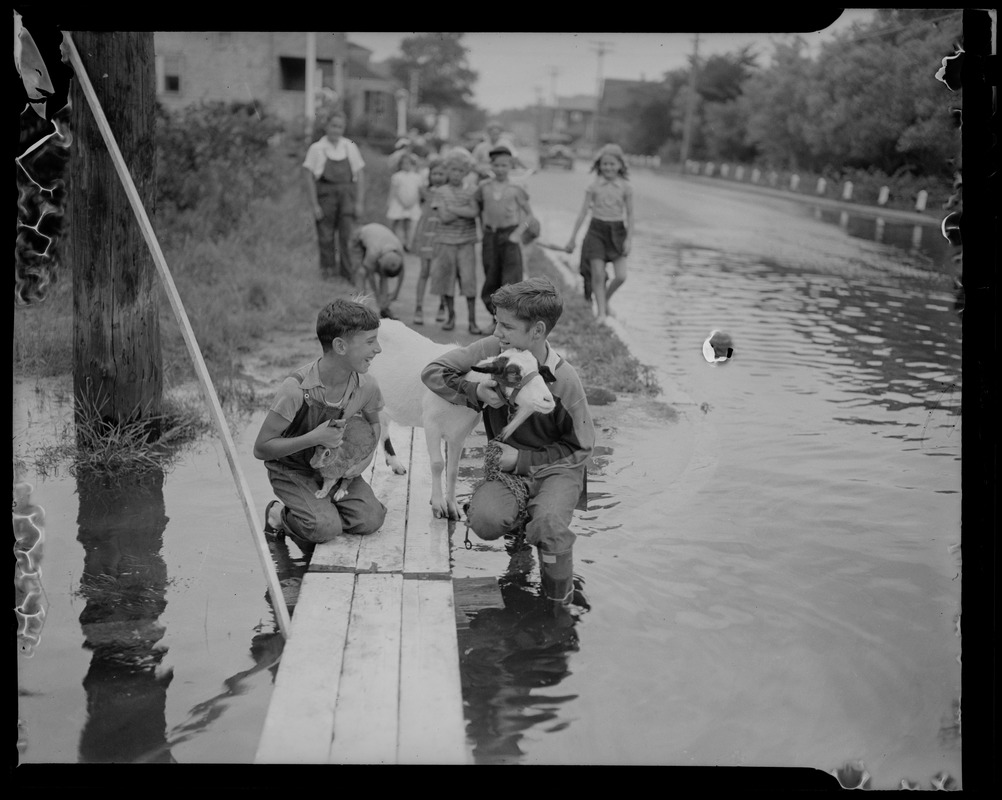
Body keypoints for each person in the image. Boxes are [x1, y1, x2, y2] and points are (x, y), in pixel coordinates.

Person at [420, 277, 594, 609]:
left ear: (538, 331)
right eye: (496, 322)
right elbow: (432, 372)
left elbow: (582, 449)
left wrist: (522, 461)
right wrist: (474, 391)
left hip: (556, 468)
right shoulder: (492, 351)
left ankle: (557, 603)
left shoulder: (565, 381)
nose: (497, 332)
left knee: (549, 522)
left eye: (506, 326)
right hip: (508, 468)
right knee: (484, 519)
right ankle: (519, 530)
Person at [254, 298, 387, 550]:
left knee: (371, 520)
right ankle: (278, 515)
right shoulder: (295, 390)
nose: (378, 348)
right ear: (340, 346)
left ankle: (323, 506)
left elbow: (374, 426)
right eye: (370, 341)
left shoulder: (367, 386)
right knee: (323, 528)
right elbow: (261, 448)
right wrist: (314, 438)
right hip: (291, 470)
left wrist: (364, 461)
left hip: (335, 468)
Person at [564, 143, 633, 323]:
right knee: (598, 274)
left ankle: (605, 300)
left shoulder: (626, 187)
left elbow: (631, 215)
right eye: (605, 164)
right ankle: (601, 313)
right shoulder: (593, 187)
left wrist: (629, 240)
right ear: (599, 166)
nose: (608, 167)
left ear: (620, 166)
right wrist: (572, 238)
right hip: (596, 231)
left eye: (612, 164)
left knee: (621, 276)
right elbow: (582, 212)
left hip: (617, 231)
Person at [473, 146, 536, 319]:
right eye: (497, 165)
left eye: (504, 166)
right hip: (490, 237)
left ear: (510, 167)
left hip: (510, 237)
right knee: (491, 278)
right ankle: (495, 319)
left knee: (510, 280)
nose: (500, 169)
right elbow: (476, 209)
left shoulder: (516, 188)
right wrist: (481, 228)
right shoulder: (484, 187)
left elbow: (529, 215)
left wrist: (518, 232)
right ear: (491, 166)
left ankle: (509, 322)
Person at [302, 113, 366, 282]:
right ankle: (328, 273)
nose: (336, 130)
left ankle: (347, 274)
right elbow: (308, 176)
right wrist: (314, 204)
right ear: (326, 126)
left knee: (347, 236)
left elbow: (359, 174)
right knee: (326, 235)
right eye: (333, 126)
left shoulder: (349, 146)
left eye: (340, 127)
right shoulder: (317, 148)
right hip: (325, 194)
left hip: (347, 195)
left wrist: (359, 202)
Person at [429, 152, 484, 334]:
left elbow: (474, 212)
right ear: (447, 171)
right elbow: (443, 217)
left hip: (467, 242)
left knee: (469, 281)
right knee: (447, 281)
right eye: (453, 170)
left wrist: (453, 208)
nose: (456, 174)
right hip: (445, 242)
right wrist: (463, 210)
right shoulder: (440, 191)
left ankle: (472, 321)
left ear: (466, 172)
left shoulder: (472, 190)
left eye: (460, 170)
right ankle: (451, 317)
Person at [412, 157, 449, 325]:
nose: (438, 177)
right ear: (430, 175)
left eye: (441, 173)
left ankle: (442, 305)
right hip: (426, 235)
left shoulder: (449, 191)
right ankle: (418, 307)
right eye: (434, 173)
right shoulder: (423, 190)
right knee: (424, 271)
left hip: (443, 234)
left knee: (441, 272)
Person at [349, 222, 405, 319]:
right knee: (361, 273)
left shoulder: (398, 250)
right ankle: (360, 310)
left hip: (377, 240)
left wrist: (396, 292)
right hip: (359, 238)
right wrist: (377, 296)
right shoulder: (373, 252)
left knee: (383, 276)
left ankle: (384, 308)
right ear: (379, 260)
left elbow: (402, 272)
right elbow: (371, 276)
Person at [386, 152, 424, 252]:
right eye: (404, 163)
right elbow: (394, 191)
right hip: (400, 203)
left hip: (413, 203)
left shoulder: (417, 177)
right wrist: (400, 201)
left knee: (412, 225)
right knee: (399, 223)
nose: (406, 166)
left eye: (408, 163)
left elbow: (419, 191)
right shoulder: (397, 176)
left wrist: (413, 201)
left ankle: (409, 244)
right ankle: (400, 243)